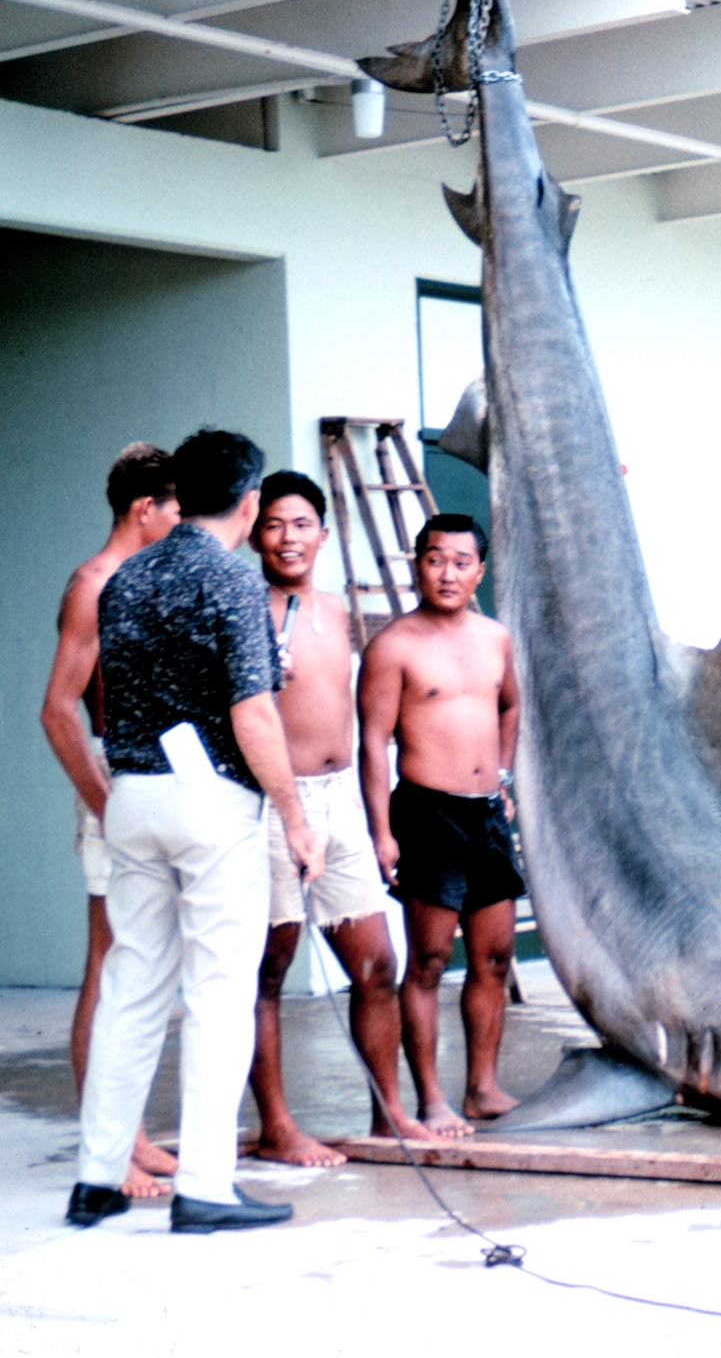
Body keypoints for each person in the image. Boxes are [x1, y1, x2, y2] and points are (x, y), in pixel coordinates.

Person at [66, 429, 325, 1233]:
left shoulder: (125, 578)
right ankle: (206, 1187)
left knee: (131, 988)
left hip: (131, 792)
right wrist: (293, 812)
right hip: (211, 799)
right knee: (218, 993)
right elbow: (251, 710)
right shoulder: (235, 583)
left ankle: (97, 1178)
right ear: (249, 502)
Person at [248, 470, 433, 1166]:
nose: (287, 537)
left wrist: (379, 821)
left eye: (300, 524)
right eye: (273, 524)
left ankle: (388, 1115)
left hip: (339, 803)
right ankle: (277, 1127)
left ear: (323, 534)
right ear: (254, 534)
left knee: (378, 964)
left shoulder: (337, 611)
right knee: (267, 971)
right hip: (270, 802)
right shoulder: (241, 606)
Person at [40, 443, 182, 1199]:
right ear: (144, 510)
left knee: (146, 967)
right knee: (110, 964)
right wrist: (107, 805)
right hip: (116, 784)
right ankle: (108, 1148)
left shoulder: (146, 581)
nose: (182, 524)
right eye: (175, 510)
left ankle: (129, 1132)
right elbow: (58, 709)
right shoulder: (94, 585)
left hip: (155, 782)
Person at [359, 513, 522, 1135]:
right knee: (428, 960)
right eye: (434, 559)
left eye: (460, 561)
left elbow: (509, 707)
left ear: (480, 570)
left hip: (486, 814)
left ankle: (481, 1087)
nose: (446, 573)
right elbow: (372, 743)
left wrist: (503, 780)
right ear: (416, 564)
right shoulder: (394, 645)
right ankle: (430, 1100)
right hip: (427, 812)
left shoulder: (496, 638)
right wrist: (381, 831)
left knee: (495, 958)